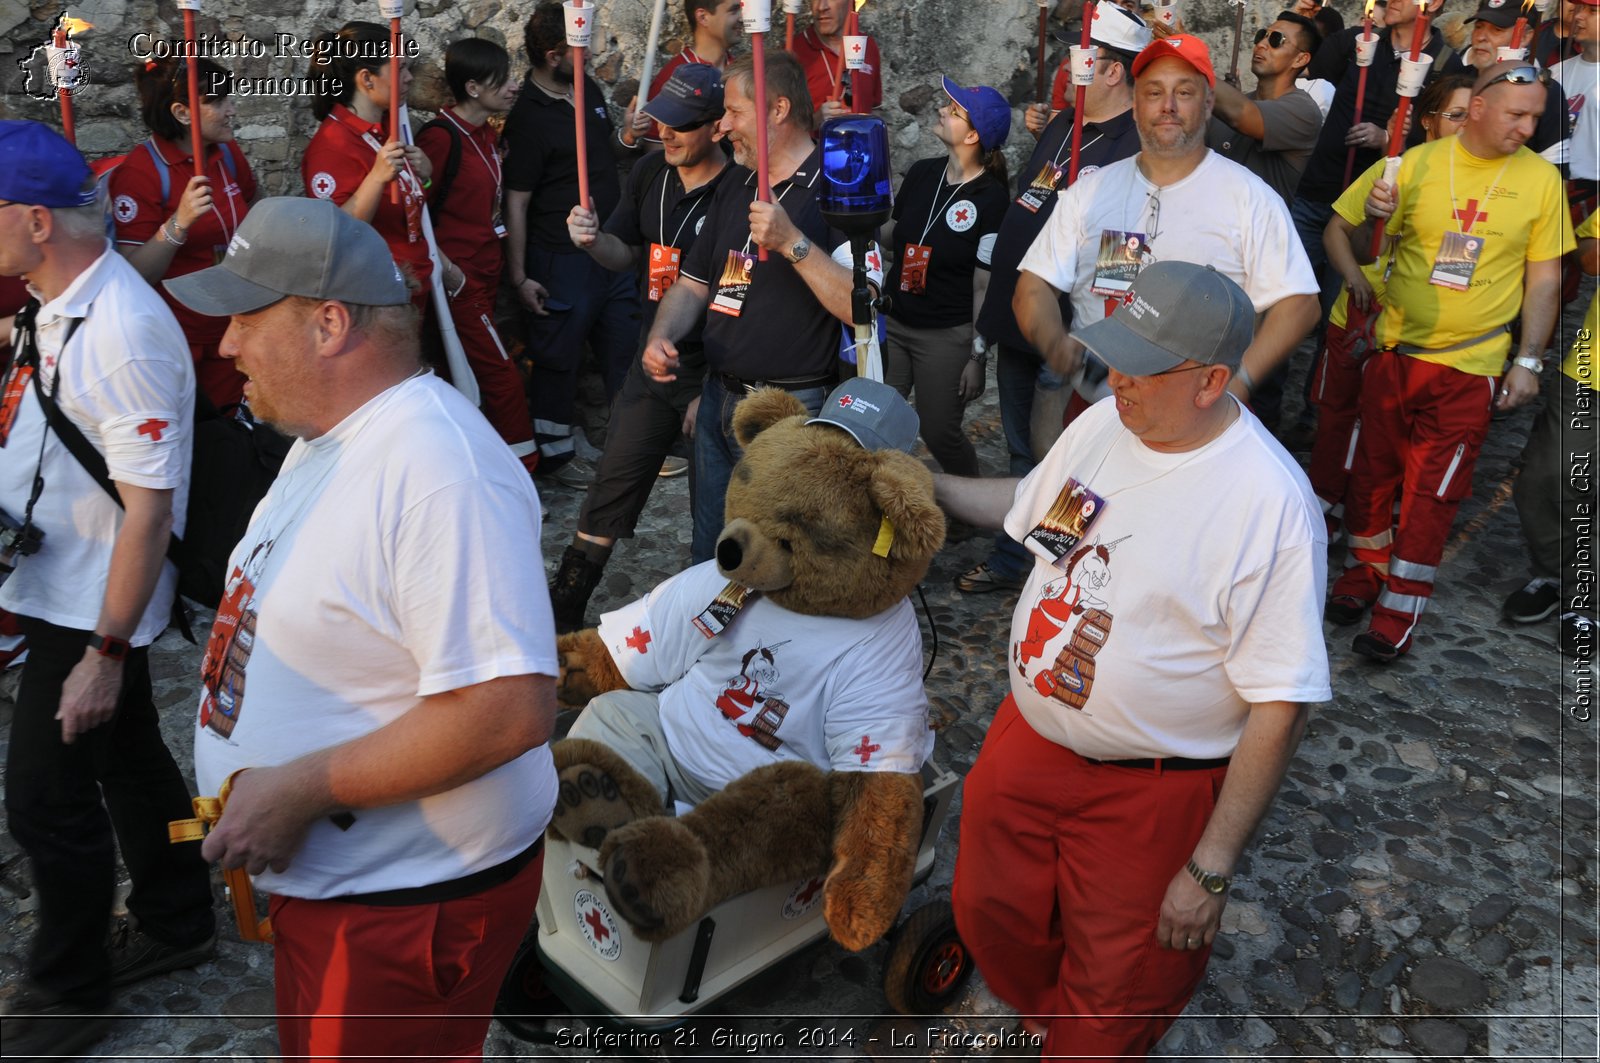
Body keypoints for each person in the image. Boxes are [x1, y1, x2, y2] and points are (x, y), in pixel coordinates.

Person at [166, 197, 559, 1061]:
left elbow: (508, 710)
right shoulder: (329, 435)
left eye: (244, 317)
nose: (225, 345)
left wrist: (300, 788)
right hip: (347, 897)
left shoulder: (439, 471)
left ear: (328, 323)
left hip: (409, 907)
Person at [938, 260, 1330, 1059]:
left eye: (1143, 367)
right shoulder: (1106, 426)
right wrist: (929, 485)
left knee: (1120, 988)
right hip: (1029, 740)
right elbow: (1037, 522)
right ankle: (1043, 1006)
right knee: (987, 908)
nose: (1117, 378)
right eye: (1115, 354)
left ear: (1212, 379)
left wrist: (1211, 869)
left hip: (1151, 793)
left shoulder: (1269, 505)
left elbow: (1280, 704)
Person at [0, 121, 215, 1061]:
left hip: (91, 607)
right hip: (65, 581)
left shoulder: (121, 329)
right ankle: (176, 914)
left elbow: (147, 510)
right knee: (130, 759)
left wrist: (106, 652)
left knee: (45, 800)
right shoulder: (58, 298)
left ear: (35, 220)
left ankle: (71, 985)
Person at [1326, 63, 1575, 661]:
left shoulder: (1541, 181)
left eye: (1536, 116)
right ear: (1481, 107)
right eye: (1517, 113)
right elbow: (1354, 240)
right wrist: (1377, 219)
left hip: (1471, 364)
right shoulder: (1411, 164)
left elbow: (1545, 276)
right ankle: (1366, 572)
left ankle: (1399, 610)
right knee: (1372, 476)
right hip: (1396, 351)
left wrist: (1530, 361)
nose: (1528, 126)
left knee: (1433, 494)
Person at [641, 52, 883, 563]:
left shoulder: (840, 184)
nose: (723, 126)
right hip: (716, 403)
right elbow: (693, 282)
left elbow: (862, 308)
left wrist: (793, 242)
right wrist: (661, 336)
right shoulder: (736, 180)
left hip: (789, 411)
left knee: (779, 561)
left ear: (777, 110)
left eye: (734, 112)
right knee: (710, 552)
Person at [1013, 35, 1319, 431]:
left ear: (1208, 104)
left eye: (1185, 92)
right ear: (1136, 105)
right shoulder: (1087, 194)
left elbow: (1300, 303)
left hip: (1198, 420)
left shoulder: (1251, 198)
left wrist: (1241, 381)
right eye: (1154, 92)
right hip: (1097, 412)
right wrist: (1055, 345)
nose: (1168, 106)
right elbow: (1033, 287)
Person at [959, 2, 1148, 595]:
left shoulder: (1133, 146)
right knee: (1024, 451)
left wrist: (1098, 336)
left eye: (1082, 52)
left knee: (1066, 456)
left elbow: (1126, 255)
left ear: (1114, 70)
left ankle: (1047, 562)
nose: (1071, 62)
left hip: (1074, 331)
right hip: (1024, 316)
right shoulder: (1065, 124)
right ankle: (1028, 557)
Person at [551, 64, 733, 631]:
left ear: (717, 127)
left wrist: (714, 392)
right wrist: (591, 240)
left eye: (681, 125)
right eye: (662, 122)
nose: (666, 134)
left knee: (719, 518)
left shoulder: (739, 193)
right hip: (652, 365)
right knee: (611, 486)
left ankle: (714, 629)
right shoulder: (651, 171)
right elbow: (625, 253)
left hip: (717, 376)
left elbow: (734, 301)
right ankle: (563, 610)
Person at [1310, 74, 1472, 533]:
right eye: (1455, 115)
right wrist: (1357, 276)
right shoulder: (1393, 171)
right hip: (1358, 321)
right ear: (1428, 122)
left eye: (1472, 114)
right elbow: (1337, 231)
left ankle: (1369, 522)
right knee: (1338, 418)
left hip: (1409, 337)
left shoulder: (1474, 195)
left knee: (1384, 436)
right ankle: (1322, 506)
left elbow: (1454, 273)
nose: (1465, 124)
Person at [504, 1, 643, 485]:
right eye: (576, 49)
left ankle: (636, 446)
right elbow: (516, 201)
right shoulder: (525, 117)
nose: (588, 54)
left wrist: (627, 135)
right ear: (550, 55)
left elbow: (606, 154)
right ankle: (557, 456)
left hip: (609, 247)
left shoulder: (588, 88)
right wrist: (520, 275)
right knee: (557, 358)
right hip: (559, 256)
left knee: (624, 347)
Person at [417, 38, 539, 477]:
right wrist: (451, 273)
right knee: (501, 377)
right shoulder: (440, 137)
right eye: (500, 80)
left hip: (488, 276)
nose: (511, 87)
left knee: (469, 378)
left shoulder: (488, 134)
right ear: (471, 87)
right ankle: (522, 472)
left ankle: (473, 472)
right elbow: (418, 206)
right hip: (459, 281)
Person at [880, 79, 1012, 477]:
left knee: (939, 431)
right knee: (877, 420)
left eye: (953, 110)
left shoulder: (991, 198)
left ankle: (968, 501)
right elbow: (891, 235)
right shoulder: (923, 173)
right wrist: (858, 214)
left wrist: (977, 356)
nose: (941, 110)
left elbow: (983, 284)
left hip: (945, 334)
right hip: (896, 320)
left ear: (973, 135)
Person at [1294, 0, 1450, 331]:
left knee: (1340, 321)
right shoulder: (1354, 42)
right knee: (1284, 304)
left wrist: (1388, 140)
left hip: (1364, 217)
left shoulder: (1446, 66)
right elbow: (1301, 76)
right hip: (1315, 194)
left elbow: (1438, 150)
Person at [112, 57, 258, 409]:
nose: (232, 110)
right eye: (218, 101)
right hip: (178, 340)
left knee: (232, 436)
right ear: (182, 112)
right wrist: (179, 222)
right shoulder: (141, 173)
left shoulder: (226, 153)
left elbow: (254, 213)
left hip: (232, 328)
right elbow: (133, 275)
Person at [1504, 210, 1596, 656]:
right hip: (1590, 372)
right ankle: (1556, 573)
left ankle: (1587, 602)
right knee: (1544, 476)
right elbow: (1588, 255)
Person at [303, 21, 438, 309]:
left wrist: (425, 177)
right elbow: (336, 234)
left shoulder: (387, 127)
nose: (410, 78)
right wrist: (376, 179)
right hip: (375, 298)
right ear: (367, 79)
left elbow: (406, 208)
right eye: (400, 68)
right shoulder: (331, 146)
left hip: (413, 285)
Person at [1206, 12, 1325, 204]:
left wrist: (1191, 62)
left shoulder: (1303, 111)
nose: (1261, 44)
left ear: (1300, 59)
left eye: (1277, 39)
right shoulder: (1236, 103)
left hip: (1257, 232)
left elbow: (1242, 114)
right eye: (1262, 35)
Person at [1444, 0, 1568, 161]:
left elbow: (1555, 171)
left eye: (1497, 30)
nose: (1481, 37)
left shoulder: (1547, 93)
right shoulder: (1456, 80)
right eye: (1479, 27)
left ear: (1525, 37)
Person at [630, 0, 742, 148]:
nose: (742, 18)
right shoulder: (673, 78)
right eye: (734, 10)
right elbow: (656, 150)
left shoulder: (740, 72)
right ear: (703, 17)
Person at [793, 0, 883, 122]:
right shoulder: (793, 53)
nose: (821, 7)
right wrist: (815, 120)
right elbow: (781, 128)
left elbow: (874, 110)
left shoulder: (867, 46)